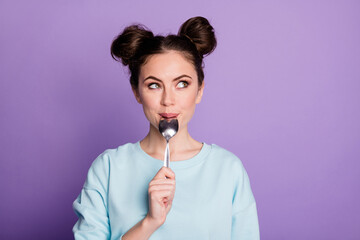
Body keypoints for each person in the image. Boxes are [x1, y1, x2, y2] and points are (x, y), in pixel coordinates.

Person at [72, 16, 260, 240]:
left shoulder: (228, 170)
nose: (168, 100)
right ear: (136, 92)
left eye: (182, 84)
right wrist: (150, 222)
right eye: (154, 85)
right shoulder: (108, 168)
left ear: (200, 89)